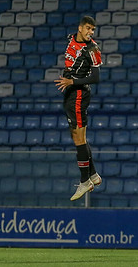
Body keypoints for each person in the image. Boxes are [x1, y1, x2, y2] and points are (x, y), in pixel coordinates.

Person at [55, 15, 103, 201]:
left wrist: (72, 81)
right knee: (78, 137)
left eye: (93, 29)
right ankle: (93, 175)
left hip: (79, 94)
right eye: (89, 28)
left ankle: (85, 181)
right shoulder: (71, 38)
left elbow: (96, 77)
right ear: (80, 28)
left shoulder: (92, 49)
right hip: (70, 93)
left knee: (79, 139)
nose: (91, 32)